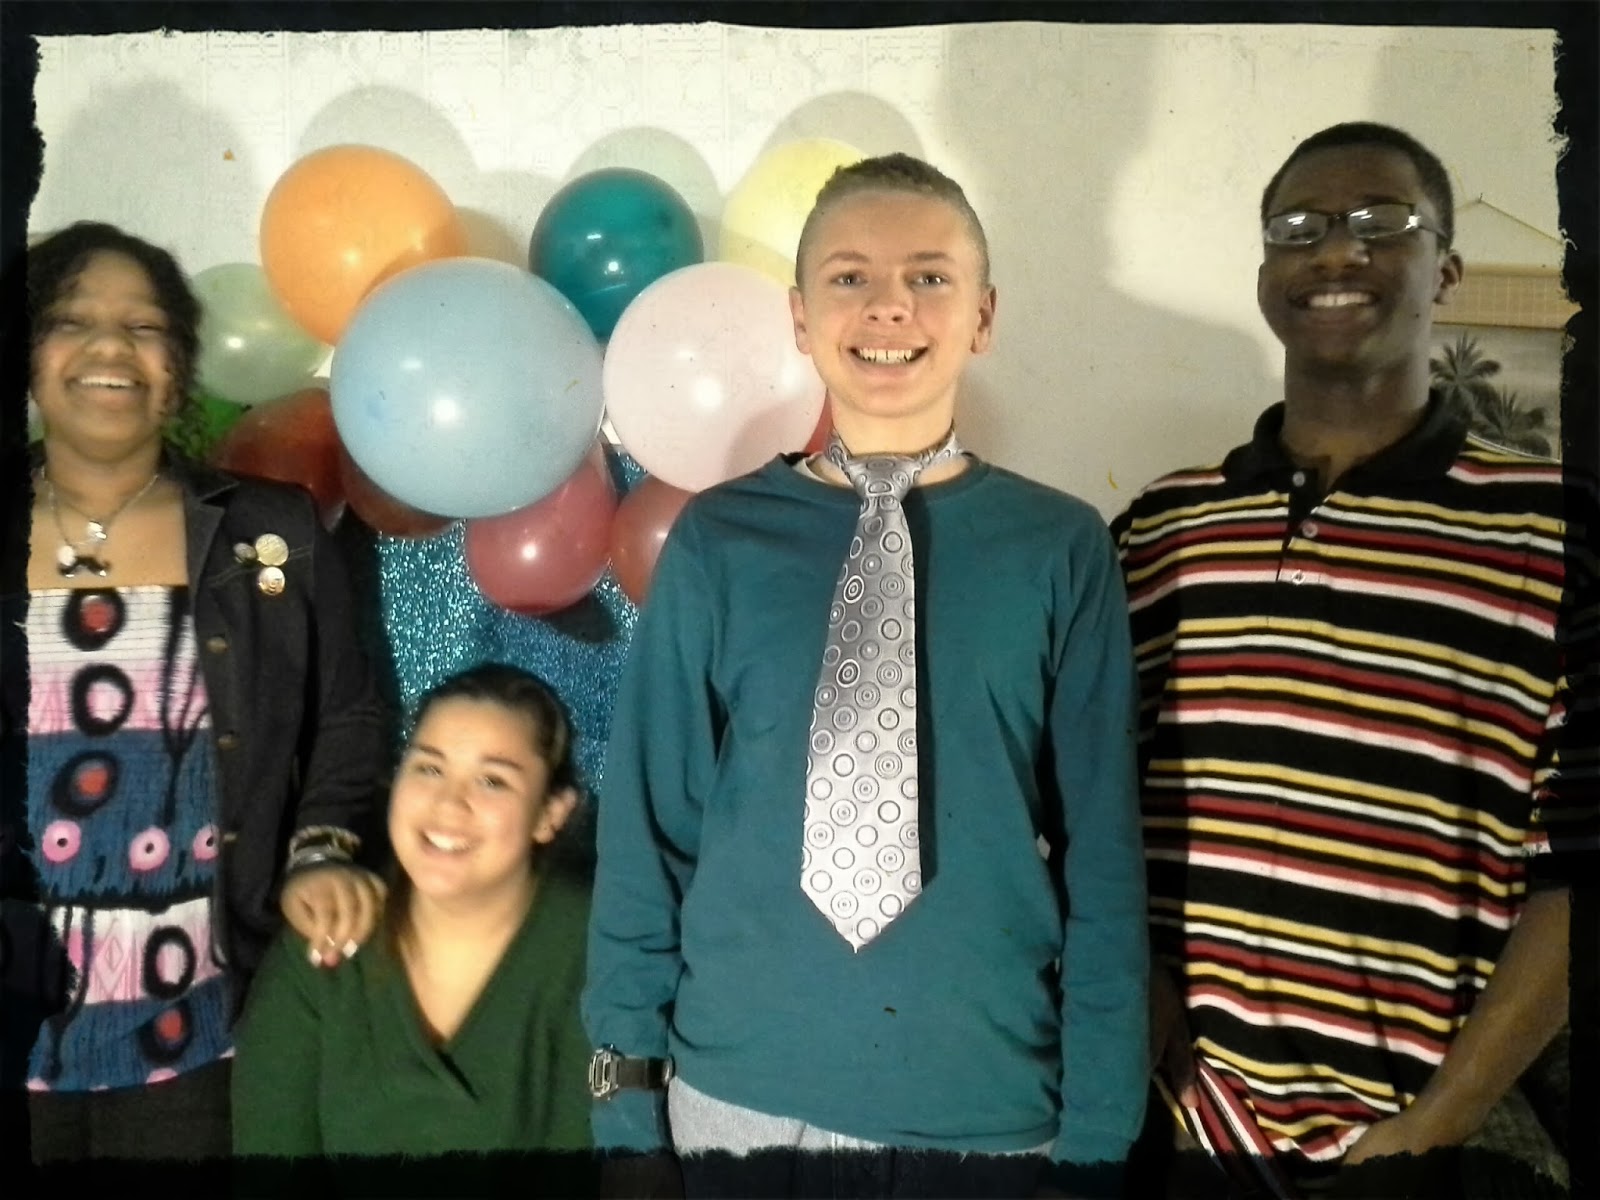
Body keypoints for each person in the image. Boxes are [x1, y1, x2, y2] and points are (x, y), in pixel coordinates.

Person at [583, 153, 1149, 1199]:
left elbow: (1106, 863)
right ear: (801, 320)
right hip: (735, 1104)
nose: (889, 304)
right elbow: (648, 834)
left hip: (983, 1118)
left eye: (929, 276)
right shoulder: (720, 541)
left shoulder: (1060, 549)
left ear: (983, 316)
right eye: (850, 277)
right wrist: (624, 1110)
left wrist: (1098, 1144)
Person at [1115, 122, 1597, 1198]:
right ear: (1264, 274)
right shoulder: (1161, 529)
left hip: (1420, 1150)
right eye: (1298, 227)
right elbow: (1095, 813)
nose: (1336, 251)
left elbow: (1578, 872)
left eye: (1382, 222)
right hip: (1185, 1128)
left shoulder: (1555, 532)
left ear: (1446, 269)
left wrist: (1435, 1125)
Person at [2, 222, 388, 1170]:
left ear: (177, 369)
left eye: (144, 328)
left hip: (200, 1036)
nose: (110, 346)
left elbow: (349, 717)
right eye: (71, 321)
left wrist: (322, 850)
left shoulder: (271, 536)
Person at [231, 662, 593, 1181]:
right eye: (429, 768)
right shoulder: (326, 944)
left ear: (550, 814)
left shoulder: (594, 951)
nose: (449, 803)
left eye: (492, 781)